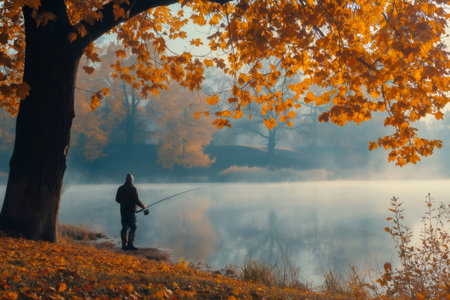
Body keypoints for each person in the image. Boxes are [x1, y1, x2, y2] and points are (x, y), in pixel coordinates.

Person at [116, 173, 148, 250]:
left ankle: (124, 245)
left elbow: (117, 199)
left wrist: (124, 203)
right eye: (131, 179)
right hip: (131, 212)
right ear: (132, 180)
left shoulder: (120, 188)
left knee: (124, 227)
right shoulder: (133, 189)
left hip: (123, 212)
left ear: (126, 179)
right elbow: (137, 201)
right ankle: (130, 245)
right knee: (133, 227)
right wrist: (144, 207)